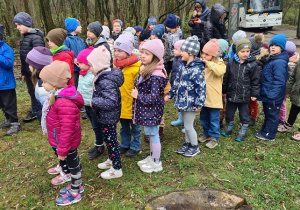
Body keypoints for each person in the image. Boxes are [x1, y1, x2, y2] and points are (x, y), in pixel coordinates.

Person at [40, 60, 84, 206]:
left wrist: (63, 148)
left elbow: (67, 129)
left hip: (67, 143)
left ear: (55, 83)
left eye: (45, 82)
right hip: (61, 142)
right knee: (72, 165)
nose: (42, 85)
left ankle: (75, 192)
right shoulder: (57, 97)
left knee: (74, 166)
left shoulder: (64, 102)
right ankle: (76, 186)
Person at [87, 46, 124, 179]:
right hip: (105, 117)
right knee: (109, 140)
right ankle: (111, 159)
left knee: (111, 141)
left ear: (98, 66)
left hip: (108, 117)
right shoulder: (103, 77)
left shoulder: (106, 81)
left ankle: (117, 168)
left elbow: (111, 101)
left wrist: (94, 102)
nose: (89, 68)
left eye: (90, 65)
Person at [131, 39, 168, 172]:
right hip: (148, 112)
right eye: (142, 52)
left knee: (154, 136)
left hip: (152, 112)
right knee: (152, 135)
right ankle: (152, 156)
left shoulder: (156, 76)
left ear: (155, 57)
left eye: (147, 53)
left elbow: (154, 98)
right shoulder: (146, 70)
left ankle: (156, 163)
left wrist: (138, 96)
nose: (142, 55)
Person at [166, 36, 206, 157]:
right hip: (182, 101)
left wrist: (199, 104)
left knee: (189, 126)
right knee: (186, 125)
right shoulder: (182, 65)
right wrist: (170, 94)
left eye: (183, 51)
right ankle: (188, 144)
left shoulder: (197, 69)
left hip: (191, 103)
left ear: (190, 53)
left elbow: (201, 88)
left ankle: (195, 147)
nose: (180, 53)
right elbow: (177, 82)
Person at [221, 38, 260, 142]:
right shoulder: (230, 63)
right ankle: (229, 126)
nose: (245, 54)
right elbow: (226, 78)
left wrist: (254, 93)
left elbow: (255, 80)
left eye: (247, 51)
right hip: (232, 94)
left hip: (244, 96)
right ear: (237, 51)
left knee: (244, 115)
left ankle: (242, 130)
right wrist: (224, 91)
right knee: (229, 113)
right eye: (242, 51)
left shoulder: (252, 65)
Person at [256, 34, 289, 141]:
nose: (273, 47)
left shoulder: (279, 62)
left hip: (273, 96)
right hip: (268, 93)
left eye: (276, 45)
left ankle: (269, 135)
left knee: (272, 115)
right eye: (272, 45)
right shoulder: (273, 58)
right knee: (268, 113)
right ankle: (264, 130)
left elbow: (279, 81)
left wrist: (272, 95)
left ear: (282, 48)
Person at [113, 34, 142, 157]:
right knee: (123, 126)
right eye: (115, 50)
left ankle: (135, 146)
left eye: (120, 51)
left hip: (133, 104)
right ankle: (125, 144)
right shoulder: (116, 66)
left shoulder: (137, 68)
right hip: (120, 103)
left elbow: (141, 86)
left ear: (128, 52)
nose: (116, 53)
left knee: (135, 127)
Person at [13, 12, 45, 122]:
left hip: (35, 72)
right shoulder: (23, 38)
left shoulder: (36, 38)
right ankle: (34, 110)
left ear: (26, 24)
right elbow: (23, 57)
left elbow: (39, 57)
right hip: (27, 71)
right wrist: (23, 72)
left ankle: (41, 111)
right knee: (31, 91)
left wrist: (36, 72)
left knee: (38, 91)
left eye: (19, 25)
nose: (17, 28)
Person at [76, 47, 105, 160]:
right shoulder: (82, 73)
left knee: (96, 125)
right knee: (94, 125)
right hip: (86, 104)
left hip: (93, 105)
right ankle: (98, 143)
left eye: (80, 63)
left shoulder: (93, 74)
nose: (78, 65)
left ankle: (100, 146)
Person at [199, 39, 226, 148]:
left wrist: (209, 63)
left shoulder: (220, 64)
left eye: (207, 54)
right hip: (203, 96)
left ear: (214, 55)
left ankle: (214, 137)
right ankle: (206, 133)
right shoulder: (202, 63)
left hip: (214, 98)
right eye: (203, 53)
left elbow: (220, 71)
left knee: (214, 119)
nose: (204, 56)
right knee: (203, 117)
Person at [0, 24, 21, 136]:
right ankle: (8, 119)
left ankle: (14, 122)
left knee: (9, 104)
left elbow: (8, 63)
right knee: (2, 104)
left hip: (6, 83)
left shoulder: (6, 49)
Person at [25, 47, 53, 122]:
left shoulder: (43, 85)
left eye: (30, 64)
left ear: (37, 66)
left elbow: (46, 107)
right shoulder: (42, 80)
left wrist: (43, 120)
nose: (28, 66)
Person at [278, 41, 299, 125]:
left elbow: (289, 78)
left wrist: (287, 90)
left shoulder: (290, 64)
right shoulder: (294, 61)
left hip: (285, 87)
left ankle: (281, 119)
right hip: (286, 87)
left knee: (282, 104)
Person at [278, 61, 300, 141]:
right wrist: (288, 90)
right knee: (294, 110)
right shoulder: (298, 65)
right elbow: (292, 78)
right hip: (297, 94)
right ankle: (288, 126)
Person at [64, 18, 86, 89]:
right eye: (79, 25)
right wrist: (73, 59)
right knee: (73, 86)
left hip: (82, 68)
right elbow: (65, 53)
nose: (81, 27)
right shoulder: (66, 40)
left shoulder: (81, 40)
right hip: (73, 70)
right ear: (73, 27)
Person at [170, 40, 185, 127]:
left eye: (176, 49)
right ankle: (180, 119)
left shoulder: (184, 61)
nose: (174, 51)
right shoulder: (176, 59)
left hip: (182, 86)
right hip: (175, 84)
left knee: (184, 104)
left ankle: (187, 122)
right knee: (178, 102)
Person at [217, 39, 229, 128]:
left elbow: (225, 78)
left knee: (221, 105)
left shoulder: (225, 62)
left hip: (222, 88)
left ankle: (220, 121)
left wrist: (224, 90)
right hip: (216, 87)